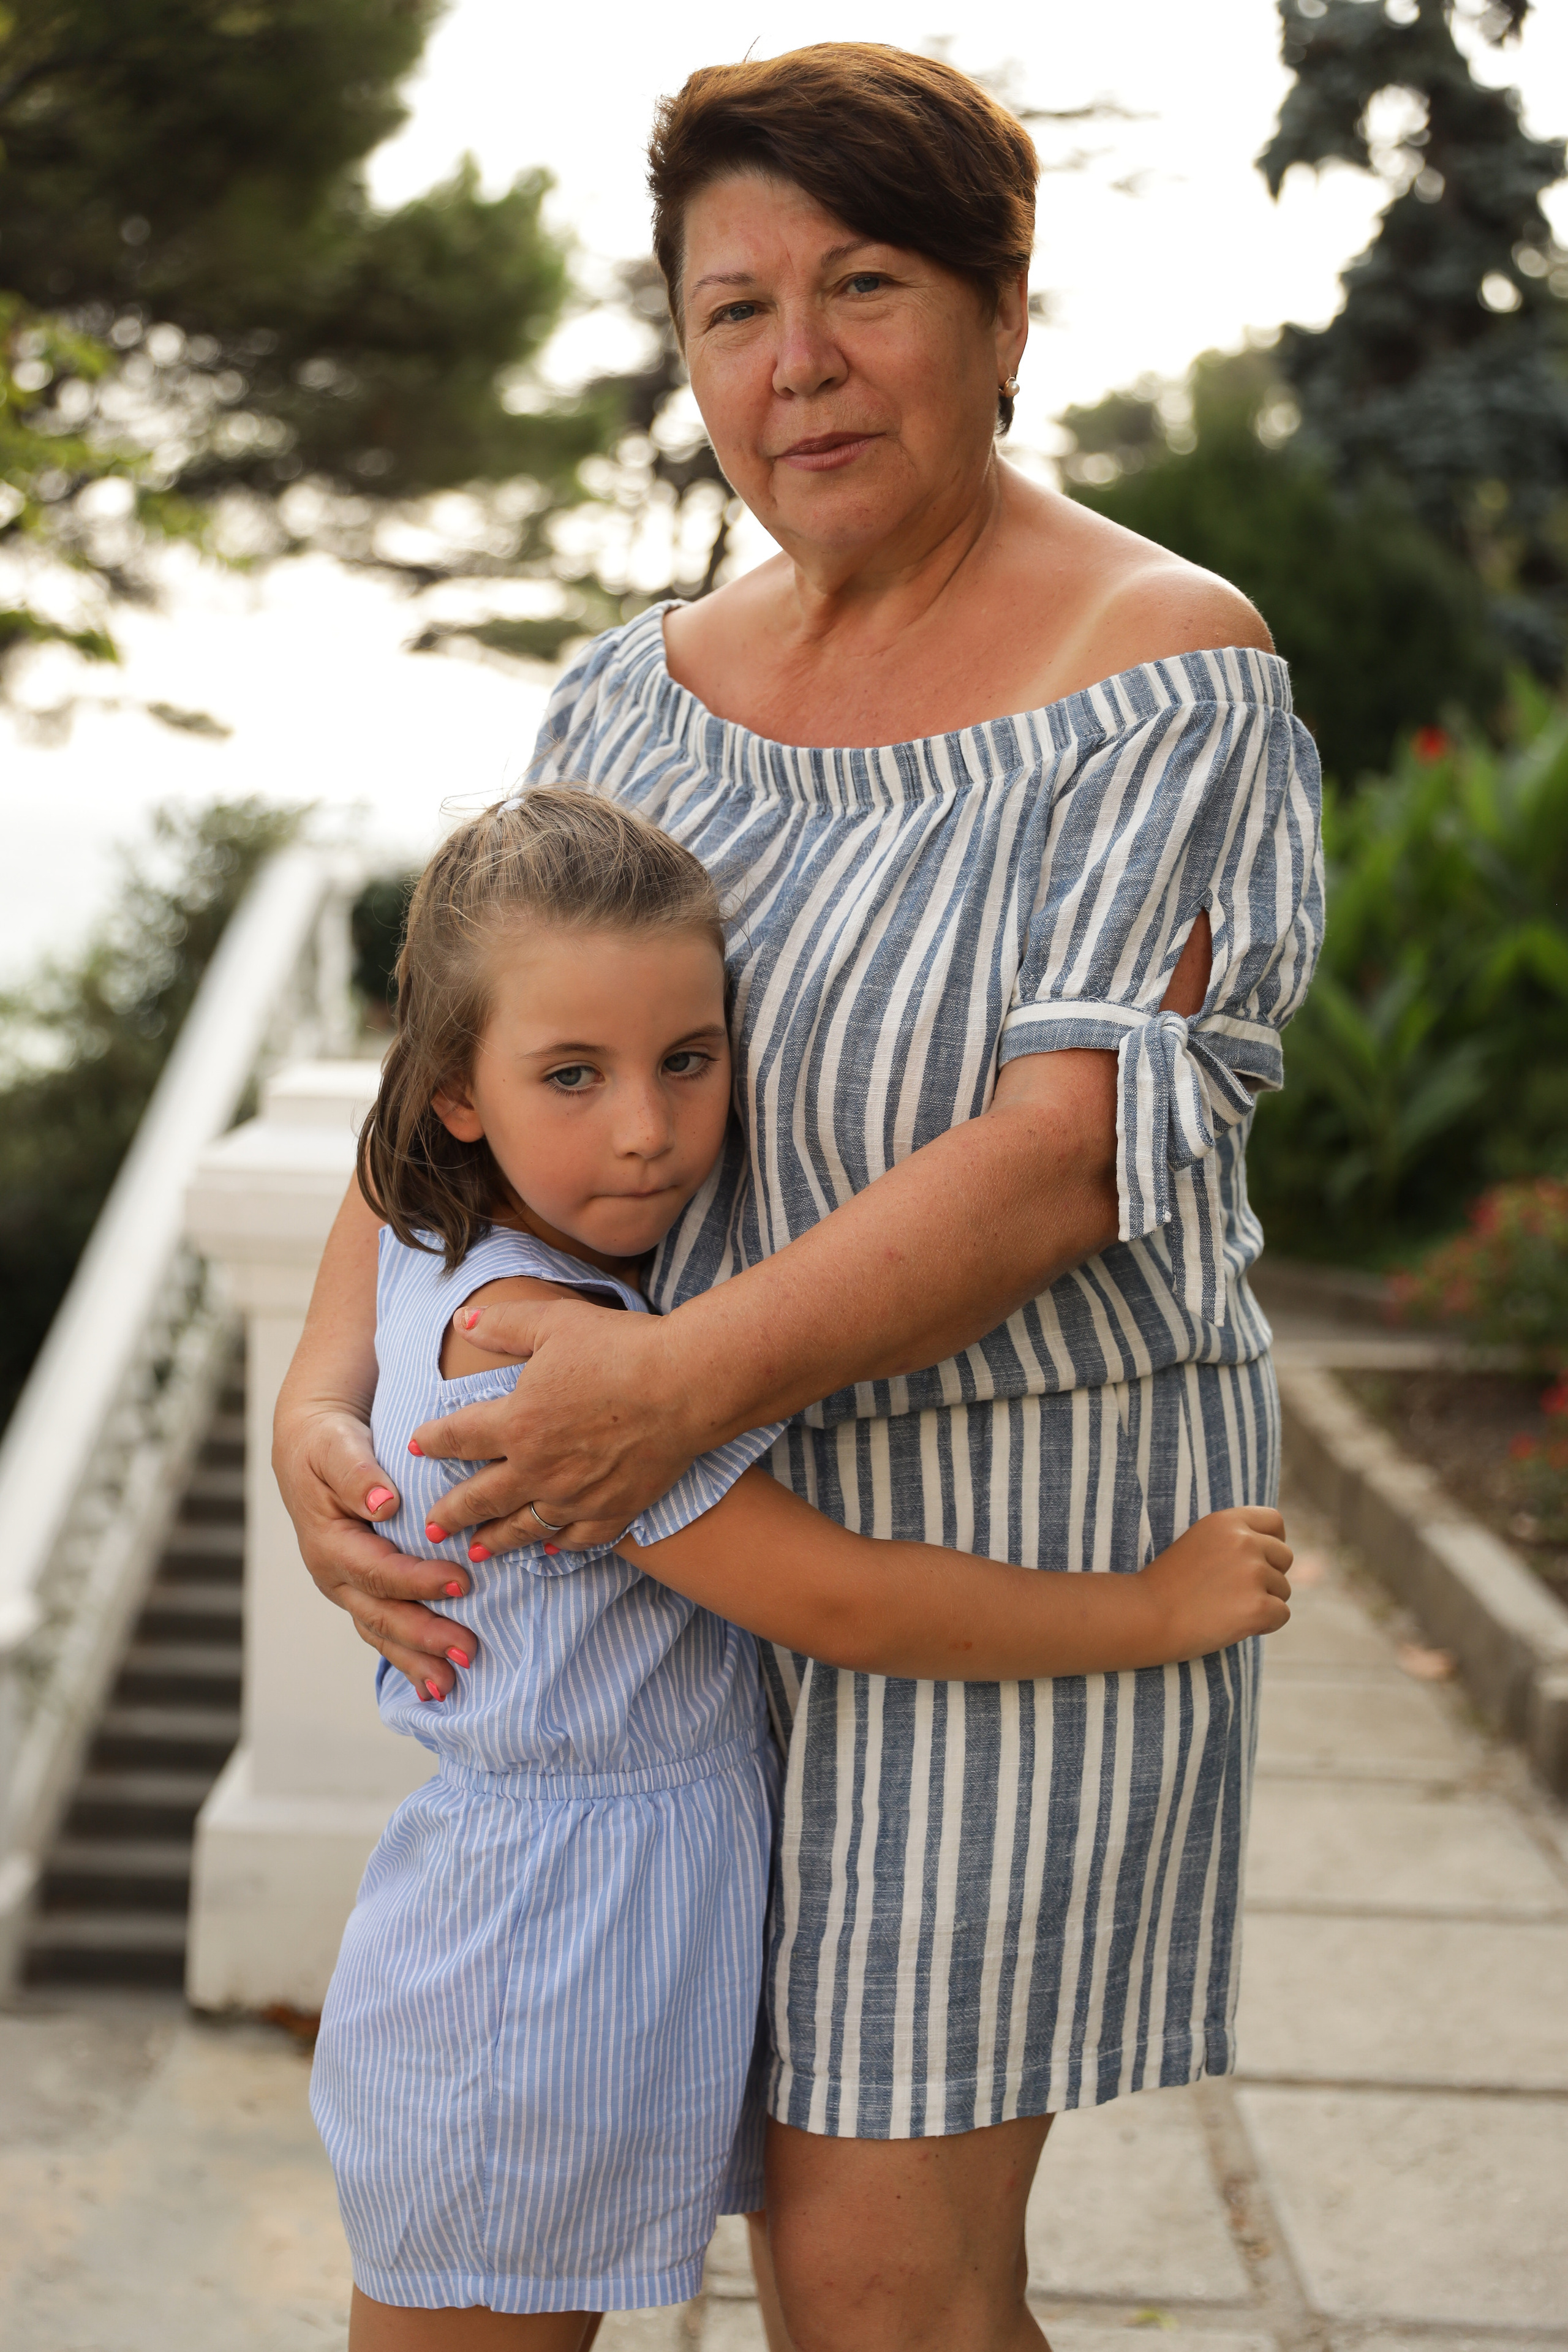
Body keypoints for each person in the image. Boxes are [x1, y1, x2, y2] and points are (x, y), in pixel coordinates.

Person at [276, 44, 1324, 2352]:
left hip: (1014, 1529)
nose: (799, 363)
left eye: (865, 286)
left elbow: (1069, 1157)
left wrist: (663, 1391)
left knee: (875, 2285)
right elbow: (458, 1067)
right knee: (581, 2224)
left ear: (1007, 310)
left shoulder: (1165, 678)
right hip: (670, 1606)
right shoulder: (625, 701)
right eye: (733, 309)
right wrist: (321, 1392)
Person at [316, 786, 1293, 2351]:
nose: (646, 1127)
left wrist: (316, 1389)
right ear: (453, 1095)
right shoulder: (553, 1356)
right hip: (539, 1963)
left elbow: (373, 1223)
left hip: (578, 1928)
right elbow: (839, 1599)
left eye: (687, 1061)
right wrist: (1148, 1607)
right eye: (572, 1075)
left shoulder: (473, 1250)